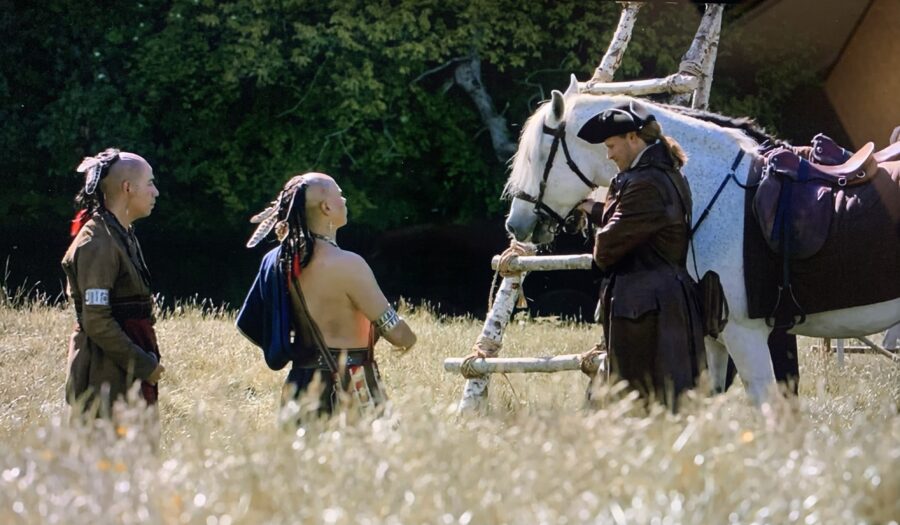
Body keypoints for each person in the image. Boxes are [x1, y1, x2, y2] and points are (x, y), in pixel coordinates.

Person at [237, 172, 416, 417]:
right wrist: (407, 336)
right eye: (340, 195)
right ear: (327, 206)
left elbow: (252, 324)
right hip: (351, 387)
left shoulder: (278, 261)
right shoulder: (349, 265)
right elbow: (399, 335)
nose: (345, 200)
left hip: (298, 388)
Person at [575, 102, 705, 409]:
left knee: (647, 403)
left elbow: (606, 248)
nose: (609, 155)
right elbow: (631, 222)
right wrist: (589, 207)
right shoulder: (661, 174)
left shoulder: (646, 182)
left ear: (633, 137)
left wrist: (600, 232)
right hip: (656, 302)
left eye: (611, 145)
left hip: (646, 308)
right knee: (666, 401)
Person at [62, 148, 164, 418]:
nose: (156, 192)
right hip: (103, 377)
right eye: (151, 183)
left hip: (122, 373)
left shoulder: (121, 232)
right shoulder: (97, 242)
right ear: (128, 188)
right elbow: (97, 322)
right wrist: (142, 365)